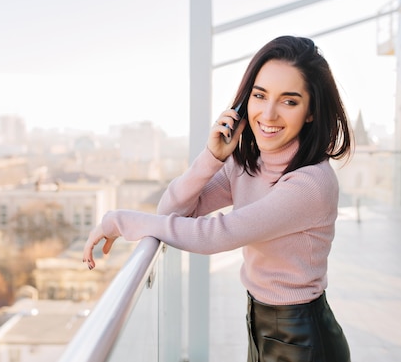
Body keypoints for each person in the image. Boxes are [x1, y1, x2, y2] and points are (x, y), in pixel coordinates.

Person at [83, 35, 352, 362]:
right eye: (259, 96)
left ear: (311, 112)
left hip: (302, 337)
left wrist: (118, 221)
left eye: (289, 101)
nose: (268, 114)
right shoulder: (248, 164)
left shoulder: (310, 182)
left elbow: (216, 235)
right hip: (260, 323)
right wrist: (212, 156)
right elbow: (173, 210)